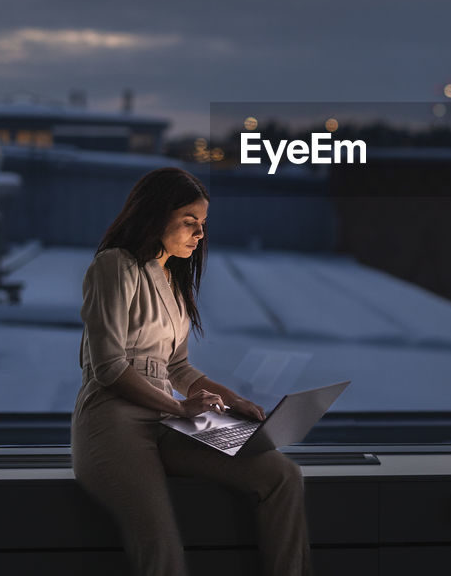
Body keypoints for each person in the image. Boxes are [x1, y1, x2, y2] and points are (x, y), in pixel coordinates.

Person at [71, 167, 314, 576]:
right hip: (112, 419)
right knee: (162, 547)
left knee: (282, 475)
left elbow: (178, 367)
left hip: (166, 415)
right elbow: (109, 367)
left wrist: (232, 399)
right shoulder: (115, 265)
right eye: (189, 222)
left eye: (202, 224)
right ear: (155, 214)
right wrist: (182, 409)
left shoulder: (172, 281)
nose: (199, 234)